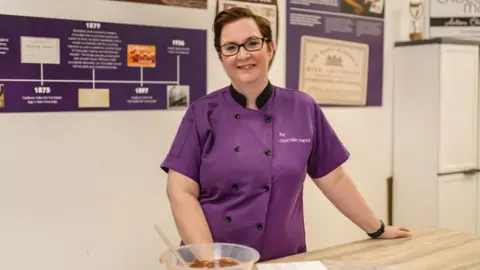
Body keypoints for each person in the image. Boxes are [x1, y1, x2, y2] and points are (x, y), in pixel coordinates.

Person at [161, 7, 410, 262]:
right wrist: (210, 261)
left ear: (270, 47)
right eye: (231, 47)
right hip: (220, 261)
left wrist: (377, 227)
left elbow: (334, 179)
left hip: (286, 260)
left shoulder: (302, 108)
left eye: (252, 43)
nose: (243, 54)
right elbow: (180, 192)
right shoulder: (202, 113)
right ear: (221, 56)